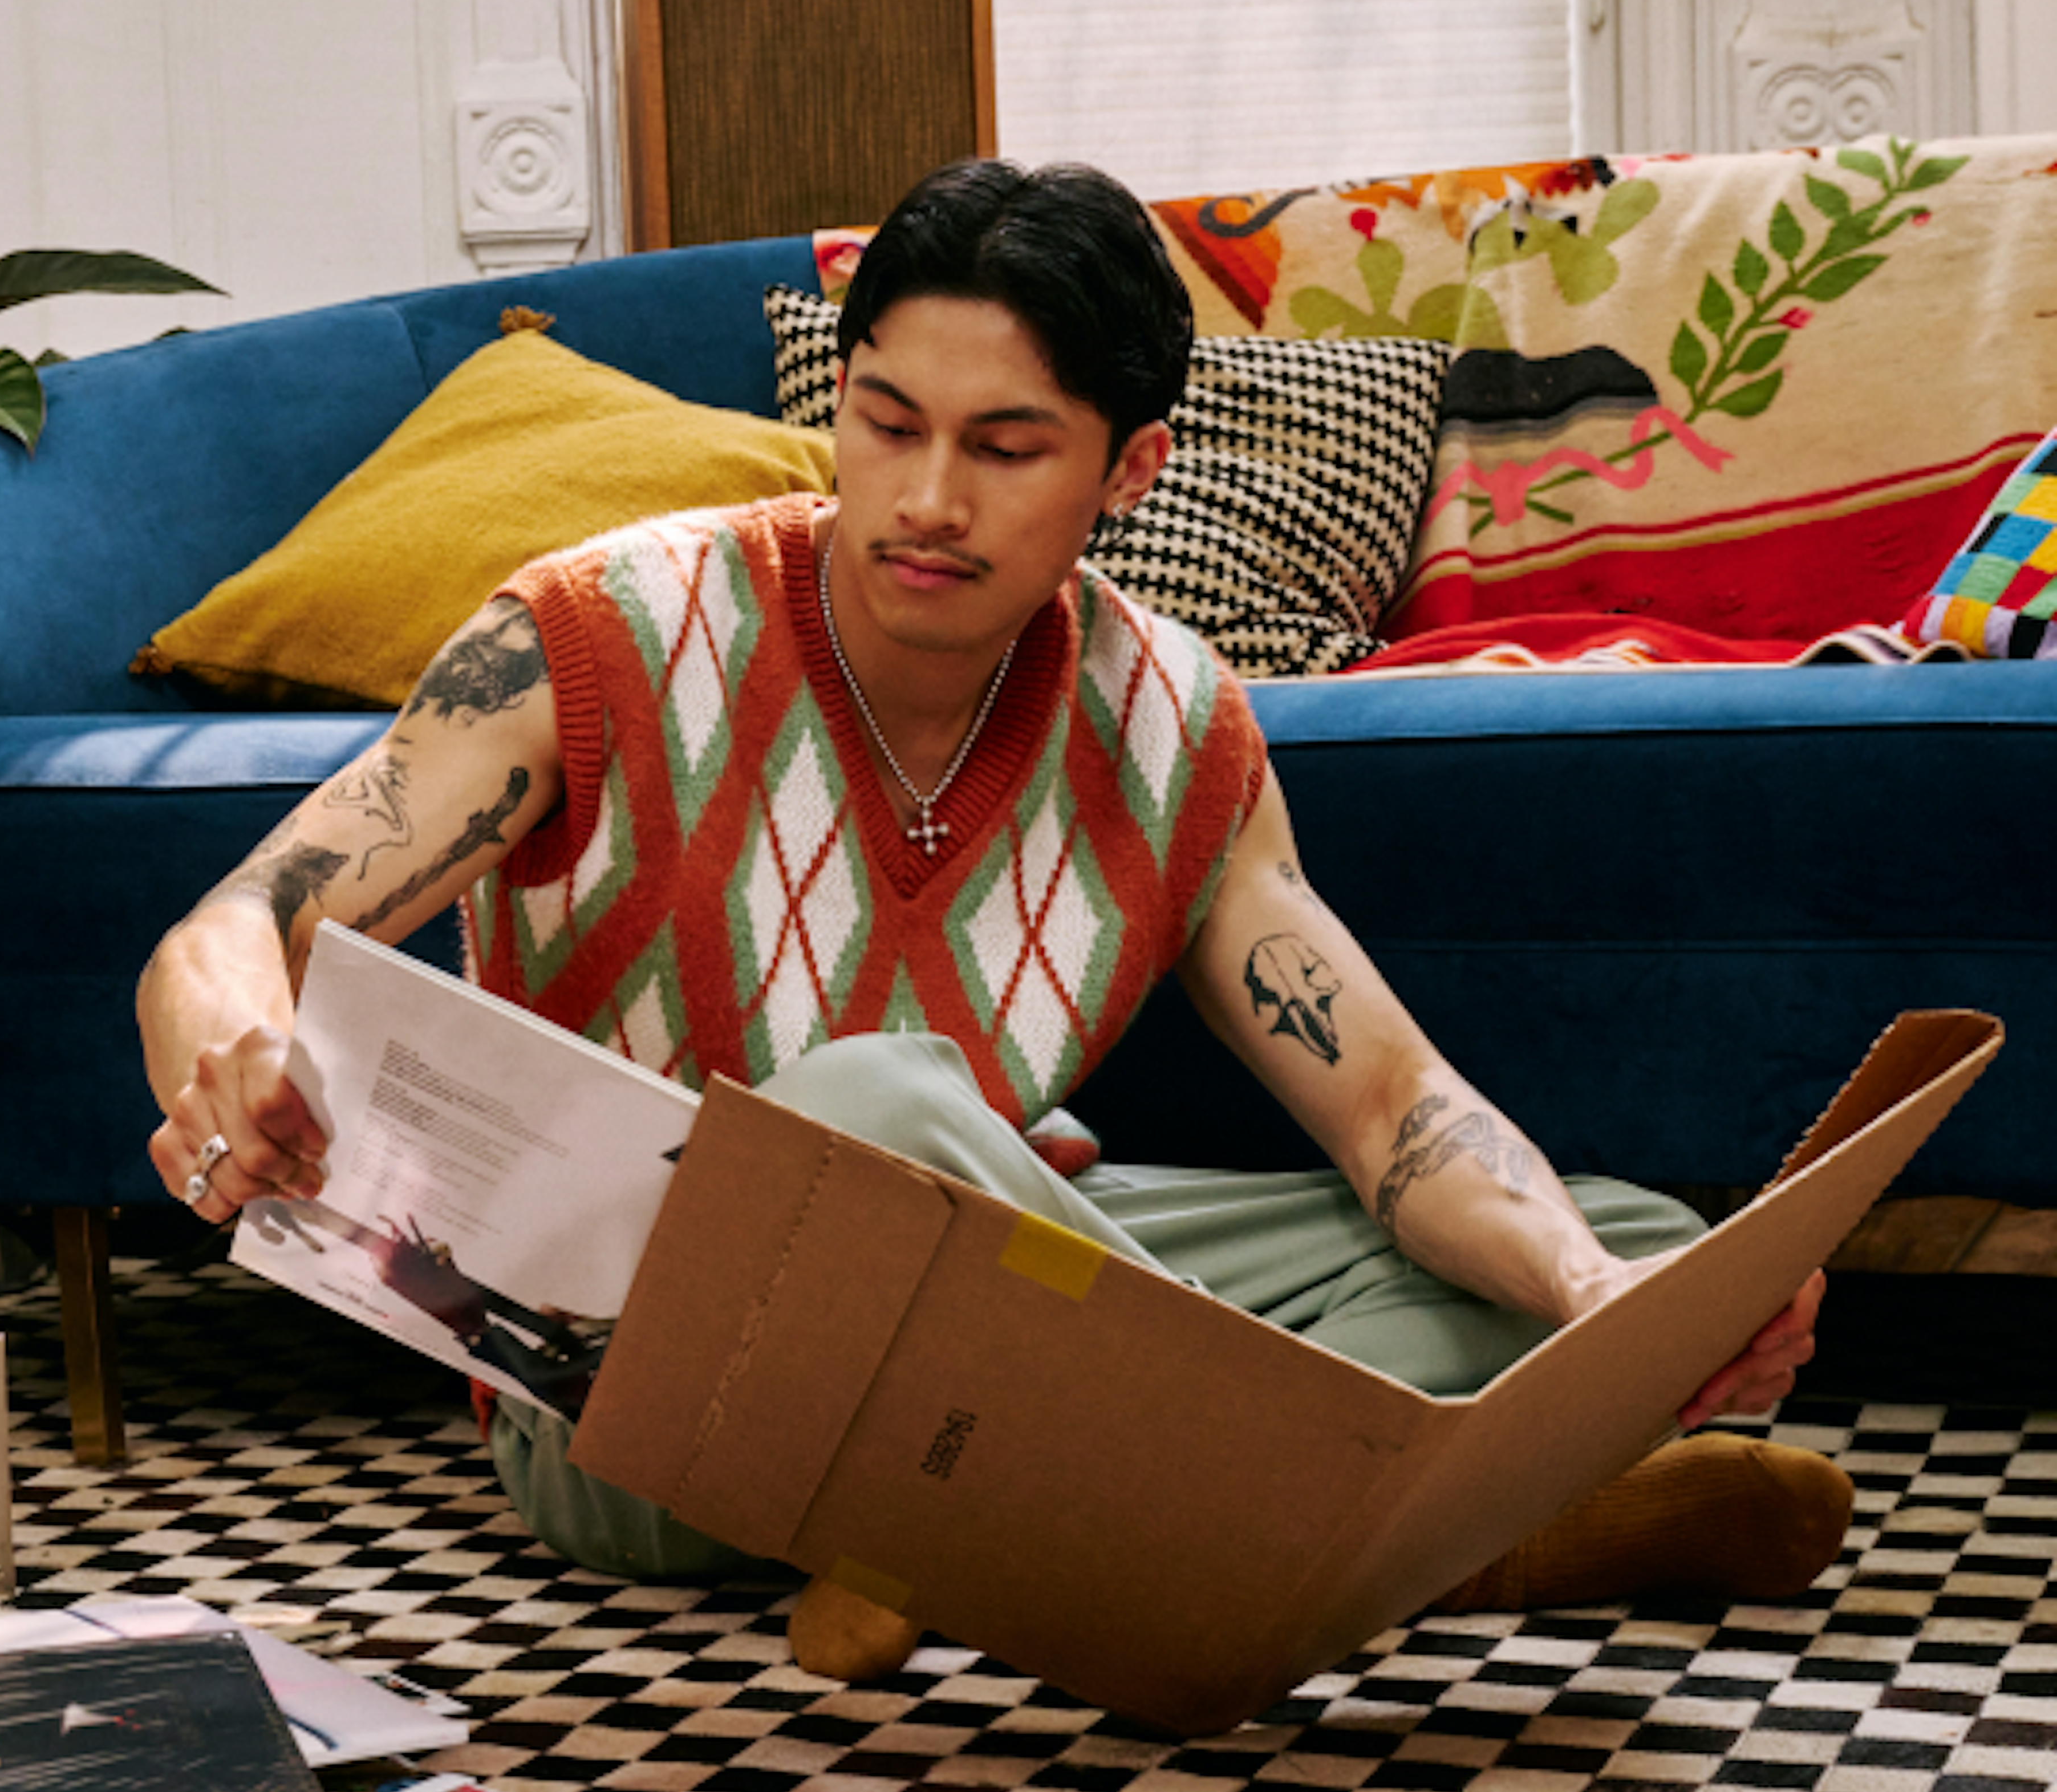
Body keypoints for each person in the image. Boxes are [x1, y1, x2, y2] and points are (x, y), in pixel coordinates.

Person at [139, 159, 1847, 1684]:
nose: (928, 498)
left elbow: (1394, 1112)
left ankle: (988, 1547)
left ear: (1130, 468)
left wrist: (1596, 1288)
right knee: (870, 1112)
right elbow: (230, 930)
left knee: (1629, 1239)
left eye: (1006, 446)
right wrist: (238, 1051)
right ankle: (1407, 1535)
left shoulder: (1177, 723)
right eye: (886, 424)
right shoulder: (597, 637)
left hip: (988, 1343)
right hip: (649, 1388)